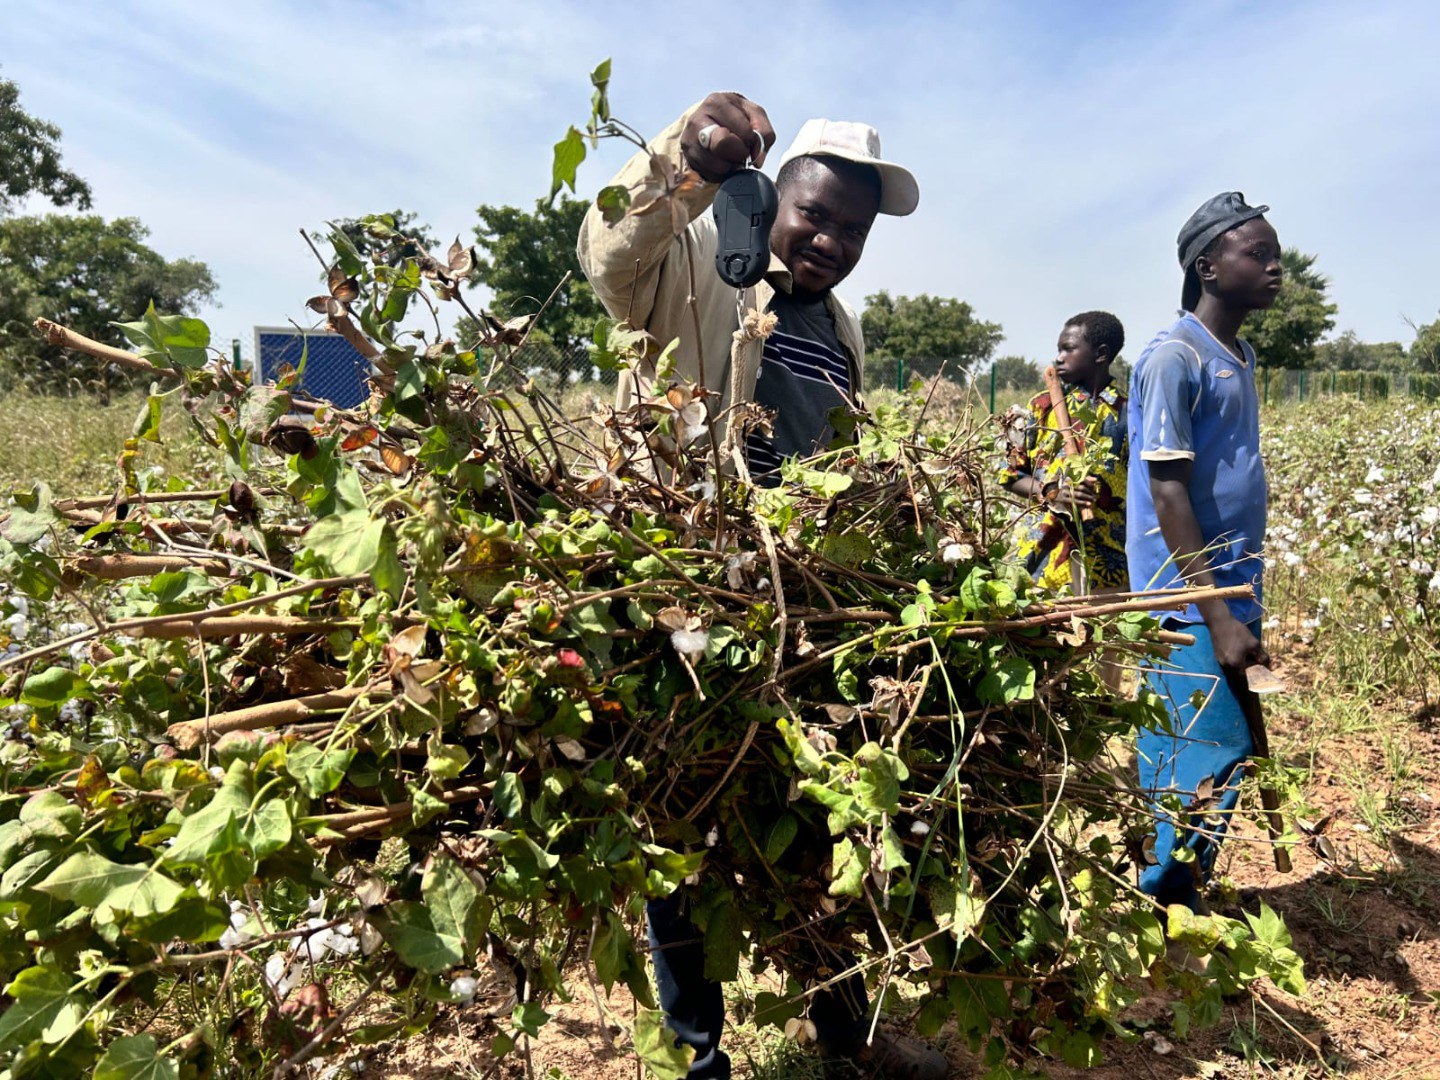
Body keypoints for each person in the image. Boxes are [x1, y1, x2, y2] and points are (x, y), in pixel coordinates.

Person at [577, 96, 944, 1080]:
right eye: (815, 214)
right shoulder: (697, 262)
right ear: (773, 197)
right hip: (686, 607)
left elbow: (845, 462)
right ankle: (700, 1063)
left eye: (853, 230)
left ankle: (847, 1041)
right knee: (677, 843)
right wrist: (685, 159)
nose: (831, 240)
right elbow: (609, 257)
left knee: (830, 826)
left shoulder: (842, 331)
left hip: (802, 612)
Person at [1125, 192, 1280, 912]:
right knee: (1203, 747)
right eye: (1259, 254)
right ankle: (1167, 903)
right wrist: (1215, 615)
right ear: (1208, 267)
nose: (1276, 268)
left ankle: (1174, 891)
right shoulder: (1174, 358)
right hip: (1185, 598)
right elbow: (1168, 493)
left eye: (1276, 255)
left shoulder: (1238, 355)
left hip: (1228, 588)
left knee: (1205, 744)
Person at [999, 311, 1128, 597]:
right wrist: (1051, 492)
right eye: (1059, 349)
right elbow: (1010, 475)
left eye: (1069, 349)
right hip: (1040, 557)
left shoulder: (1128, 413)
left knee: (1107, 623)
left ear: (1101, 354)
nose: (1058, 358)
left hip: (1107, 561)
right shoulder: (1040, 408)